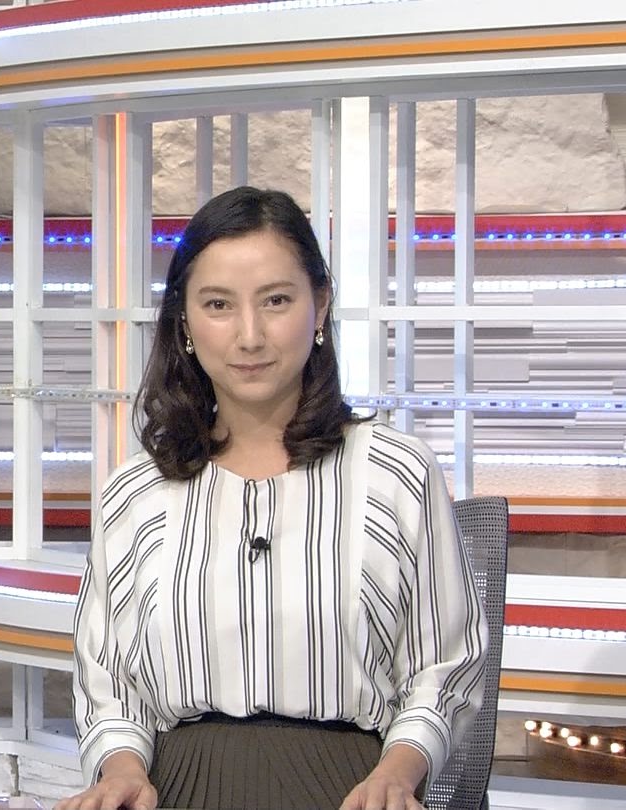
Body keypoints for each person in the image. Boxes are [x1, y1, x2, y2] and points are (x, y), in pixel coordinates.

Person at [59, 186, 487, 810]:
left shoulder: (398, 472)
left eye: (277, 301)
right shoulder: (133, 492)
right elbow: (110, 686)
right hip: (174, 789)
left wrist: (397, 774)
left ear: (320, 307)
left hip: (352, 791)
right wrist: (121, 770)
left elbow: (444, 667)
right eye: (218, 305)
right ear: (184, 322)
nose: (250, 336)